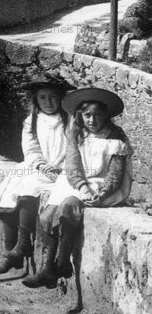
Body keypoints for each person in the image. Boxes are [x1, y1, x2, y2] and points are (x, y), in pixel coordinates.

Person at [23, 87, 132, 289]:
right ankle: (49, 268)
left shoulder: (116, 138)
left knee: (68, 207)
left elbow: (115, 173)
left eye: (97, 116)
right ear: (81, 116)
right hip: (75, 181)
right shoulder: (77, 133)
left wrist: (103, 193)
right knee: (48, 215)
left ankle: (62, 262)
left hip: (101, 183)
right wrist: (82, 186)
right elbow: (72, 164)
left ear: (106, 116)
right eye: (87, 115)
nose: (92, 120)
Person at [0, 75, 73, 274]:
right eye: (42, 98)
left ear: (61, 98)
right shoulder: (33, 120)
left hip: (63, 170)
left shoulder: (70, 120)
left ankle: (23, 244)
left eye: (53, 97)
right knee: (7, 192)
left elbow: (75, 148)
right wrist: (40, 164)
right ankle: (12, 252)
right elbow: (31, 147)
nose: (48, 103)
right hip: (39, 166)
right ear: (36, 100)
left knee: (30, 187)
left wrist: (60, 167)